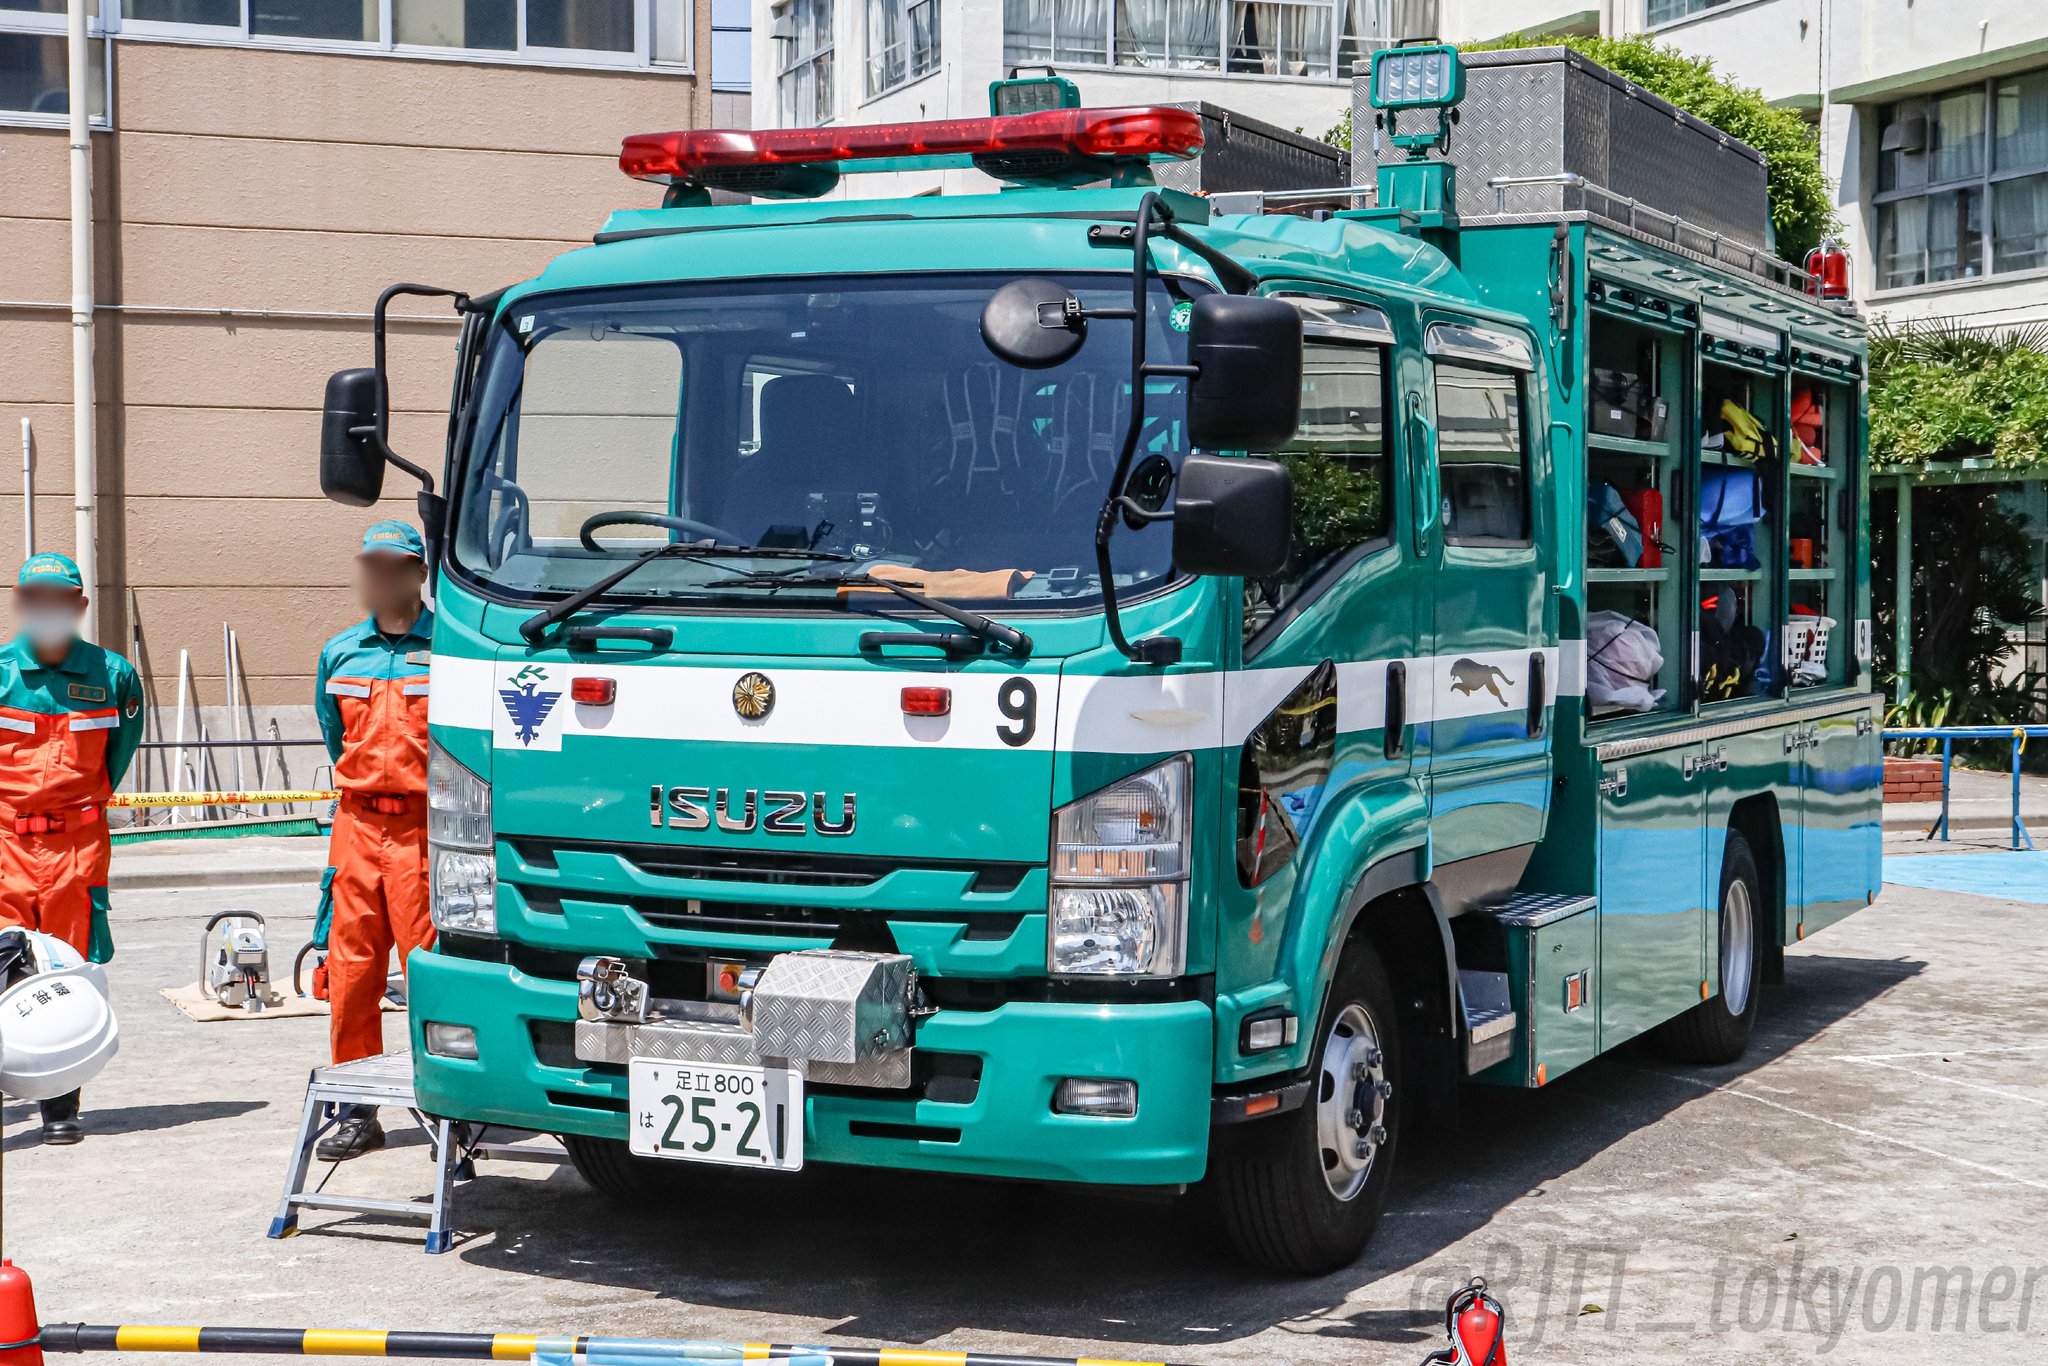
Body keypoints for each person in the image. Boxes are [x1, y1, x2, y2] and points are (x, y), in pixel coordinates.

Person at [0, 551, 144, 1145]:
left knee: (65, 969)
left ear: (80, 608)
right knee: (2, 965)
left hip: (77, 846)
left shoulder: (113, 676)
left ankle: (61, 1107)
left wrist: (79, 811)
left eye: (59, 602)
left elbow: (121, 751)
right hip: (5, 839)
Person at [313, 520, 434, 1160]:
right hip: (357, 826)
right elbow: (337, 738)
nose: (384, 578)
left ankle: (444, 1099)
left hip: (426, 829)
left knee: (431, 968)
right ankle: (357, 1106)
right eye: (374, 566)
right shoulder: (340, 653)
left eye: (397, 566)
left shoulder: (450, 646)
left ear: (419, 572)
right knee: (352, 970)